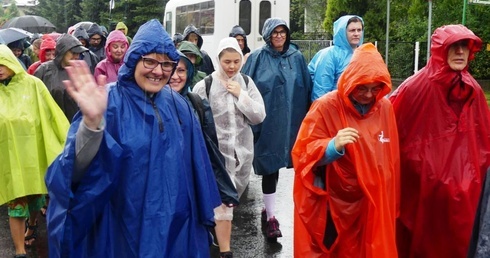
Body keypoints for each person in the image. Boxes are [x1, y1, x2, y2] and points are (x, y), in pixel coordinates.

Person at [44, 19, 221, 258]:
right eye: (150, 61)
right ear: (134, 59)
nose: (158, 71)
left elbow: (197, 170)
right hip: (120, 231)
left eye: (167, 64)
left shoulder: (180, 106)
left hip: (175, 230)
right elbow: (73, 173)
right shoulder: (109, 102)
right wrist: (92, 125)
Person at [389, 24, 490, 258]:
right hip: (423, 192)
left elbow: (483, 141)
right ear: (439, 50)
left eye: (465, 46)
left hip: (465, 195)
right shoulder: (415, 88)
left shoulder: (473, 90)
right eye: (454, 46)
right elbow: (389, 133)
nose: (460, 52)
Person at [291, 43, 399, 257]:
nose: (369, 95)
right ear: (350, 81)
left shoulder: (385, 107)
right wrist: (332, 146)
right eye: (362, 88)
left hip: (372, 201)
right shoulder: (325, 106)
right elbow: (302, 153)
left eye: (375, 88)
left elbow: (392, 159)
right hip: (335, 203)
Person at [193, 37, 266, 257]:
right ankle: (223, 249)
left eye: (236, 61)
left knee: (229, 203)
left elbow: (259, 115)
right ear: (218, 60)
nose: (232, 66)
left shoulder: (246, 82)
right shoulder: (205, 85)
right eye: (227, 62)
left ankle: (217, 240)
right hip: (214, 156)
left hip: (241, 155)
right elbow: (194, 118)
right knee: (222, 204)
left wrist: (240, 95)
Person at [242, 17, 312, 242]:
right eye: (275, 32)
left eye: (283, 32)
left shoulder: (297, 57)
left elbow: (307, 89)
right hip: (267, 121)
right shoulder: (257, 58)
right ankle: (272, 217)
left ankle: (268, 208)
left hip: (291, 120)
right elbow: (244, 87)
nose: (279, 36)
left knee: (280, 166)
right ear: (268, 34)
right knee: (269, 166)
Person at [0, 44, 69, 258]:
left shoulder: (33, 85)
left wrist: (68, 144)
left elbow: (51, 116)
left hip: (33, 159)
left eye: (2, 62)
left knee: (35, 201)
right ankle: (20, 252)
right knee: (16, 205)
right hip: (11, 162)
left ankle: (32, 225)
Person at [34, 33, 90, 122]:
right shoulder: (44, 70)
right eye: (73, 53)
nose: (76, 56)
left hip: (73, 124)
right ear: (62, 51)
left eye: (78, 53)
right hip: (49, 122)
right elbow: (34, 98)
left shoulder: (79, 71)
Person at [309, 15, 363, 101]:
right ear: (342, 32)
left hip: (356, 109)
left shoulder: (363, 54)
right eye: (352, 30)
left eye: (359, 30)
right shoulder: (329, 55)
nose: (356, 34)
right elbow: (321, 91)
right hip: (334, 108)